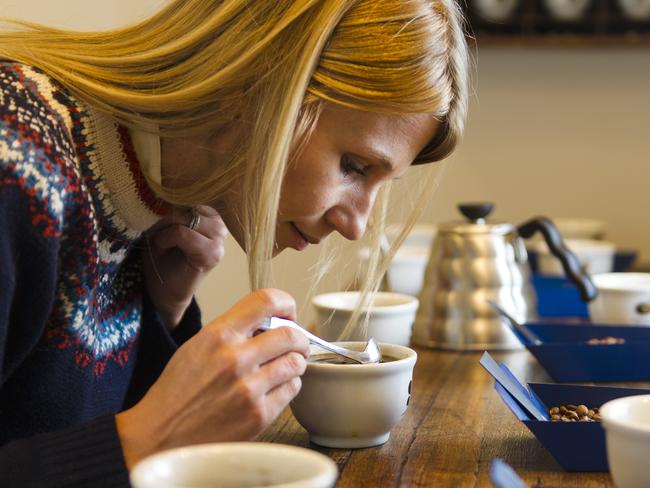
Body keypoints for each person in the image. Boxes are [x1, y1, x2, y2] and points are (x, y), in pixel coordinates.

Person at [0, 0, 469, 485]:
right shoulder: (15, 167)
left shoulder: (143, 214)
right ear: (258, 81)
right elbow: (118, 446)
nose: (355, 225)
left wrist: (163, 315)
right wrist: (146, 438)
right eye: (354, 166)